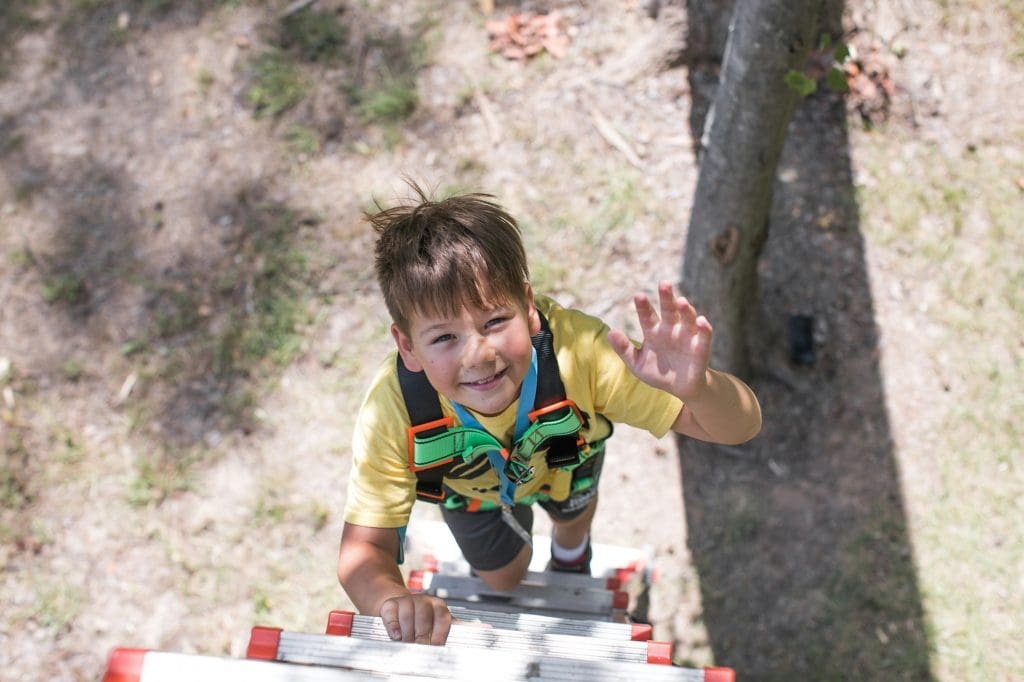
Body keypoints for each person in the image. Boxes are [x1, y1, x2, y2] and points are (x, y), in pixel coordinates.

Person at [336, 184, 761, 646]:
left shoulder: (582, 355)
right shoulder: (393, 409)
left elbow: (742, 427)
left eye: (495, 321)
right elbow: (364, 550)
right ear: (407, 347)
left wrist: (700, 390)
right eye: (443, 338)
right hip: (473, 490)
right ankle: (543, 548)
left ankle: (571, 553)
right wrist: (391, 600)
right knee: (503, 579)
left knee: (571, 517)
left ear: (529, 308)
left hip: (565, 462)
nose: (477, 355)